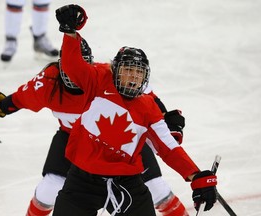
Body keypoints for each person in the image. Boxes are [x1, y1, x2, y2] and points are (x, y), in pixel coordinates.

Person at [0, 39, 189, 215]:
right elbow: (14, 101)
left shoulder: (104, 77)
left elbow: (144, 96)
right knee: (48, 190)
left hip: (124, 141)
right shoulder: (48, 84)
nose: (72, 76)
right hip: (73, 143)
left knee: (158, 188)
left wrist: (167, 120)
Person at [51, 4, 218, 216]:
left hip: (126, 183)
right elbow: (72, 65)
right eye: (128, 70)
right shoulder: (99, 80)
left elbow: (167, 146)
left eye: (138, 73)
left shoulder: (147, 106)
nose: (133, 77)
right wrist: (70, 32)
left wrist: (196, 176)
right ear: (115, 70)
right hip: (82, 180)